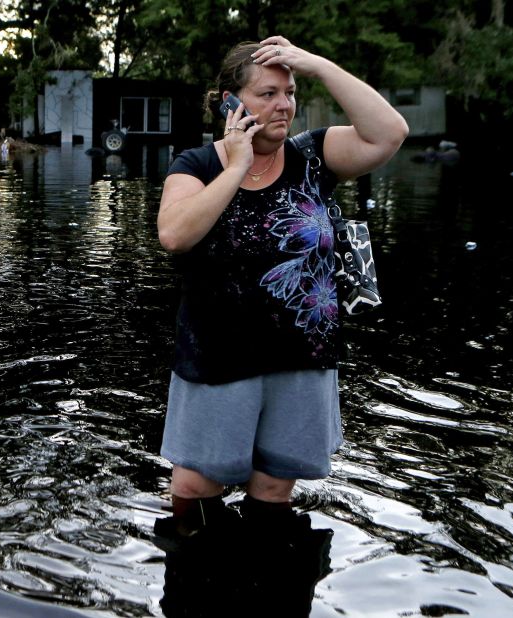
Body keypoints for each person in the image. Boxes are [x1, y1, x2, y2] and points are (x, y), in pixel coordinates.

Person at [152, 35, 408, 569]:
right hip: (219, 361)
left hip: (300, 358)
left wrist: (315, 64)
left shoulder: (312, 155)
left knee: (273, 487)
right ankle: (199, 586)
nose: (284, 104)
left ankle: (266, 588)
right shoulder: (195, 165)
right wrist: (235, 168)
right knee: (196, 483)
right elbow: (175, 235)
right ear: (230, 103)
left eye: (289, 92)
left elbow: (389, 133)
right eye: (268, 93)